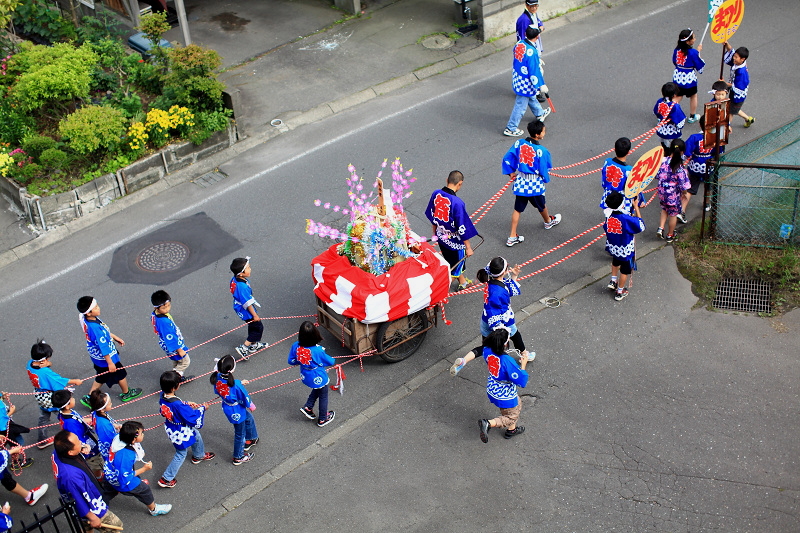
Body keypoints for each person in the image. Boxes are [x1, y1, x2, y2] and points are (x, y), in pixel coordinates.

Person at [450, 257, 534, 375]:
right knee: (514, 336)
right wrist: (501, 330)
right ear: (504, 271)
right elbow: (508, 293)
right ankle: (523, 355)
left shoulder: (492, 284)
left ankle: (464, 361)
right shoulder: (498, 290)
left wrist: (514, 275)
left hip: (486, 321)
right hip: (501, 321)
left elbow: (507, 289)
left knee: (486, 347)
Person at [502, 119, 560, 247]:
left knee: (518, 209)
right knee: (541, 204)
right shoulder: (542, 151)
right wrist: (545, 179)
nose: (545, 133)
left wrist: (511, 172)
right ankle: (548, 221)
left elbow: (508, 157)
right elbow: (545, 169)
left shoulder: (519, 143)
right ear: (538, 134)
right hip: (534, 184)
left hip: (521, 182)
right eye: (544, 131)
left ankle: (512, 235)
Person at [76, 296, 142, 407]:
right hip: (107, 358)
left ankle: (89, 397)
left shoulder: (87, 320)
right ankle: (126, 393)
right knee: (121, 374)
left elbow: (104, 333)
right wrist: (110, 363)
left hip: (97, 358)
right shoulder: (95, 328)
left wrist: (114, 337)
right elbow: (103, 347)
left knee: (101, 376)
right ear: (89, 313)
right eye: (95, 307)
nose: (98, 308)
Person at [52, 430, 122, 531]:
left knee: (86, 527)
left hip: (83, 492)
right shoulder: (70, 476)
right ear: (70, 452)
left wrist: (83, 448)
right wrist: (92, 517)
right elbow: (78, 498)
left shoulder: (58, 452)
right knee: (116, 526)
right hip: (91, 506)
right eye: (78, 443)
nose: (80, 442)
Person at [156, 371, 214, 488]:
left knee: (196, 435)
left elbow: (177, 406)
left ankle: (198, 455)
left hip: (172, 425)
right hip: (180, 429)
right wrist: (202, 408)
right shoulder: (177, 404)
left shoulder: (163, 396)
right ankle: (166, 478)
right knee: (181, 453)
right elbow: (191, 418)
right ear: (174, 387)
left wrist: (186, 403)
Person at [425, 170, 479, 291]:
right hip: (455, 243)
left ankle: (463, 282)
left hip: (441, 237)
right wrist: (468, 247)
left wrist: (435, 233)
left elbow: (433, 215)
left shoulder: (436, 194)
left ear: (447, 180)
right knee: (454, 268)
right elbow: (462, 227)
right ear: (460, 183)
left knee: (451, 262)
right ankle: (436, 291)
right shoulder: (457, 203)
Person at [105, 421, 171, 516]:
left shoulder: (119, 441)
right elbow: (125, 477)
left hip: (110, 474)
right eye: (141, 434)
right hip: (121, 479)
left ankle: (100, 503)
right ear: (133, 440)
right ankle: (154, 509)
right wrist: (144, 469)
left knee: (109, 490)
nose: (143, 435)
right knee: (144, 490)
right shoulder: (126, 455)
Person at [27, 340, 84, 449]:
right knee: (64, 413)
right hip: (51, 397)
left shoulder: (30, 364)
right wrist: (75, 381)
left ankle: (42, 440)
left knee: (43, 418)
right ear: (44, 359)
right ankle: (70, 434)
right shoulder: (45, 372)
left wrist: (48, 364)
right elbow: (58, 381)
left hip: (40, 396)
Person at [477, 329, 530, 442]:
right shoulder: (507, 361)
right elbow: (521, 380)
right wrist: (523, 364)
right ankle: (488, 423)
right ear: (505, 344)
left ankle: (511, 430)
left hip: (493, 388)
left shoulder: (487, 350)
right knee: (511, 417)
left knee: (516, 404)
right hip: (505, 394)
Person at [209, 355, 258, 465]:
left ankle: (252, 437)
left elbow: (220, 390)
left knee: (249, 419)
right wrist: (251, 405)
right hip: (237, 410)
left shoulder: (217, 377)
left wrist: (240, 383)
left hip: (227, 406)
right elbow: (244, 397)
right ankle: (238, 456)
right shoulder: (236, 385)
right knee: (240, 434)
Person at [287, 321, 336, 428]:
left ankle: (308, 407)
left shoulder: (296, 346)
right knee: (323, 394)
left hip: (305, 374)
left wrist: (299, 361)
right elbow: (330, 362)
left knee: (318, 389)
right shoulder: (318, 350)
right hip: (317, 375)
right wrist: (333, 359)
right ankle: (323, 418)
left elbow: (291, 361)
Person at [504, 26, 550, 137]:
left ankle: (539, 113)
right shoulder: (532, 52)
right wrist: (541, 85)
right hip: (527, 82)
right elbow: (534, 72)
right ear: (537, 36)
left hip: (518, 77)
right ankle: (511, 127)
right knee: (520, 105)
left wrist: (536, 60)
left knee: (531, 97)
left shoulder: (519, 43)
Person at [603, 192, 645, 301]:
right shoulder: (625, 219)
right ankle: (620, 291)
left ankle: (613, 280)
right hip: (625, 248)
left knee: (615, 262)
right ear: (622, 204)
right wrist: (636, 207)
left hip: (614, 246)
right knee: (625, 270)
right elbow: (640, 225)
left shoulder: (609, 216)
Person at [52, 390, 102, 477]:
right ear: (67, 406)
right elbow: (77, 438)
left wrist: (84, 421)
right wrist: (83, 447)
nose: (74, 399)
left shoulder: (64, 413)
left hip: (85, 436)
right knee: (96, 463)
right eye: (71, 399)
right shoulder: (70, 424)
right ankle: (98, 477)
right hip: (87, 445)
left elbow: (78, 418)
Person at [683, 115, 724, 218]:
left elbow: (687, 152)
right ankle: (706, 203)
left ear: (699, 125)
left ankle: (682, 210)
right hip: (708, 166)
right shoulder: (715, 138)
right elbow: (720, 151)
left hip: (695, 167)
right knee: (708, 186)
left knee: (690, 188)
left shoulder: (694, 137)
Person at [229, 257, 268, 359]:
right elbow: (247, 303)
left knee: (253, 326)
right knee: (258, 327)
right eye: (248, 268)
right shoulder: (242, 287)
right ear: (241, 273)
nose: (250, 269)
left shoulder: (235, 280)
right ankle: (244, 347)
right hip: (245, 310)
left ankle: (254, 345)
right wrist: (255, 315)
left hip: (239, 306)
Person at [151, 290, 191, 381]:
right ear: (156, 308)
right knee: (185, 362)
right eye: (164, 308)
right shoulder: (164, 322)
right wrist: (179, 349)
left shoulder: (155, 315)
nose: (167, 309)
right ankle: (173, 379)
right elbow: (170, 337)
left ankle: (176, 374)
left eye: (169, 305)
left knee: (177, 361)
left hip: (166, 345)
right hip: (174, 346)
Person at [656, 139, 690, 244]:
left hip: (662, 192)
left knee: (664, 209)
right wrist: (684, 194)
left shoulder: (662, 161)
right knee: (673, 214)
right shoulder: (679, 168)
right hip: (673, 195)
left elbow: (657, 175)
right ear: (682, 152)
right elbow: (683, 185)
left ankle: (661, 228)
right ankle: (670, 234)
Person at [599, 137, 644, 215]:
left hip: (609, 196)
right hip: (622, 200)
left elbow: (604, 179)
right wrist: (641, 201)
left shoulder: (607, 162)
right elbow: (634, 188)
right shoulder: (629, 170)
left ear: (615, 149)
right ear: (628, 152)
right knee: (624, 221)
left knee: (610, 217)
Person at [672, 28, 705, 123]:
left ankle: (667, 112)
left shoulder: (677, 50)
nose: (695, 39)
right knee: (693, 95)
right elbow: (699, 64)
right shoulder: (693, 52)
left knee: (678, 96)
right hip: (689, 78)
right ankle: (692, 116)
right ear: (688, 41)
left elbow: (674, 61)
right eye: (693, 38)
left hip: (678, 76)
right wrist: (698, 53)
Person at [722, 41, 754, 127]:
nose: (733, 58)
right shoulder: (739, 63)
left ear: (742, 59)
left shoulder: (742, 72)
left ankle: (726, 128)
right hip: (734, 92)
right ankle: (748, 119)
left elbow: (737, 87)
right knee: (734, 109)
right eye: (734, 56)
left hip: (738, 95)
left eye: (736, 57)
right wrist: (727, 44)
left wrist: (724, 83)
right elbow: (731, 51)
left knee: (731, 111)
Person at [89, 390, 120, 467]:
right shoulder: (104, 425)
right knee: (116, 466)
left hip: (104, 443)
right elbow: (111, 441)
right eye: (109, 403)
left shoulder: (96, 413)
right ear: (102, 409)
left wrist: (114, 425)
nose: (111, 404)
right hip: (110, 449)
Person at [0, 393, 31, 467]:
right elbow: (1, 423)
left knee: (6, 443)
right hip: (5, 428)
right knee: (16, 444)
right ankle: (16, 463)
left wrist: (2, 397)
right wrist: (10, 412)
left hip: (5, 427)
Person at [654, 82, 686, 150]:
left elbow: (655, 111)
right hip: (671, 131)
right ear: (674, 95)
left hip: (662, 129)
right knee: (673, 149)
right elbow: (680, 120)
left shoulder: (660, 101)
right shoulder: (674, 106)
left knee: (664, 148)